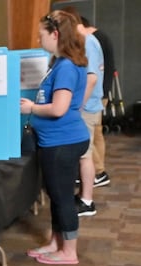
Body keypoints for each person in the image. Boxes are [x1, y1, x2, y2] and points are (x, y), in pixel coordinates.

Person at [20, 10, 90, 265]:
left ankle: (69, 251)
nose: (39, 40)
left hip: (62, 142)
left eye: (41, 35)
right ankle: (56, 243)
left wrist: (31, 109)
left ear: (55, 34)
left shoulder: (67, 67)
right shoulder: (62, 63)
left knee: (62, 197)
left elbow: (59, 108)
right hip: (59, 141)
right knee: (56, 194)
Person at [61, 8, 103, 217]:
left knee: (84, 156)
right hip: (88, 106)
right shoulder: (87, 40)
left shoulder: (86, 41)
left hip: (86, 108)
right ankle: (84, 197)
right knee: (83, 155)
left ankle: (87, 201)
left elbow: (92, 78)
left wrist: (77, 105)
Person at [81, 14, 115, 188]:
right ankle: (99, 170)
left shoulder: (92, 41)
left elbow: (99, 72)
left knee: (92, 134)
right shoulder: (101, 37)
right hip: (101, 92)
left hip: (97, 94)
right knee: (97, 133)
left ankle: (99, 172)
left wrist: (102, 94)